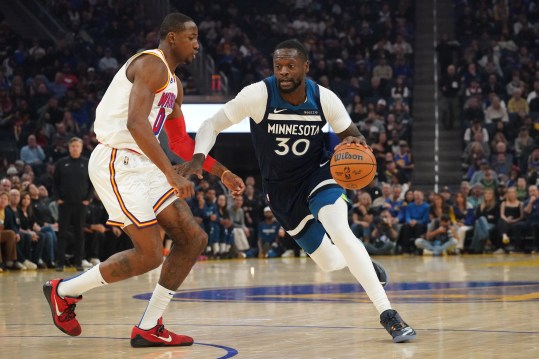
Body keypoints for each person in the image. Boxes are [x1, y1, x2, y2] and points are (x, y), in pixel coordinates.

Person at [183, 39, 416, 342]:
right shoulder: (258, 95)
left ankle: (388, 314)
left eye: (290, 65)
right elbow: (211, 124)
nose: (283, 71)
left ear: (305, 66)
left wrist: (355, 144)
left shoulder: (324, 98)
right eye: (278, 66)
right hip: (280, 190)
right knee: (331, 262)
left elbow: (354, 136)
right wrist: (199, 157)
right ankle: (361, 262)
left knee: (340, 229)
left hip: (317, 175)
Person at [42, 13, 245, 348]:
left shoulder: (175, 86)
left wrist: (221, 171)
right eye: (191, 37)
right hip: (117, 161)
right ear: (171, 37)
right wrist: (170, 174)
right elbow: (136, 124)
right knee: (150, 255)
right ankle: (63, 291)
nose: (197, 43)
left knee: (193, 239)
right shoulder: (152, 64)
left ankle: (150, 326)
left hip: (145, 163)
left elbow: (180, 143)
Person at [53, 137, 93, 272]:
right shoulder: (61, 163)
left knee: (79, 234)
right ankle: (60, 263)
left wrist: (88, 199)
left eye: (77, 146)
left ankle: (79, 262)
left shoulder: (87, 163)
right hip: (65, 204)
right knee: (62, 233)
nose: (75, 148)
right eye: (73, 146)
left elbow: (92, 183)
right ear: (69, 148)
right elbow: (55, 183)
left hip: (81, 204)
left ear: (81, 148)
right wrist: (58, 198)